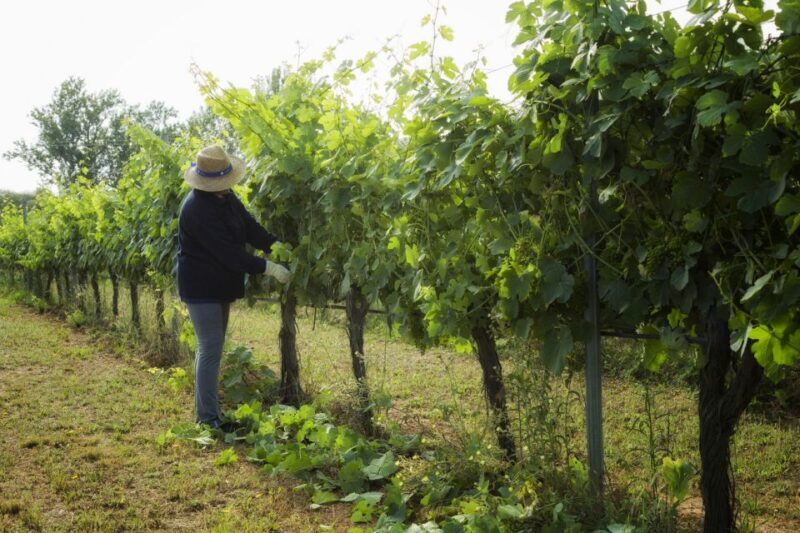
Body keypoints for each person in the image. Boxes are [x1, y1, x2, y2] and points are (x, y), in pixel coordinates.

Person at [176, 145, 290, 430]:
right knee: (210, 348)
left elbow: (250, 227)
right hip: (201, 286)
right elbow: (228, 253)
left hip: (220, 282)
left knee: (213, 347)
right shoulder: (196, 209)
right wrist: (269, 267)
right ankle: (208, 419)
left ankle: (211, 413)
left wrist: (274, 245)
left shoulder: (225, 197)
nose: (226, 187)